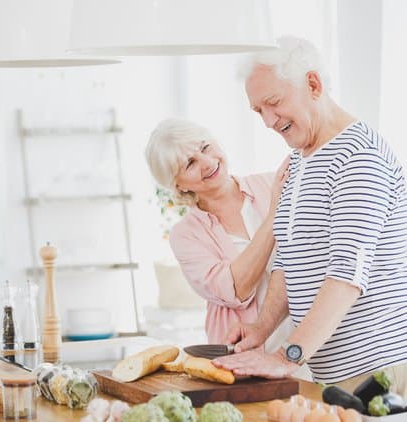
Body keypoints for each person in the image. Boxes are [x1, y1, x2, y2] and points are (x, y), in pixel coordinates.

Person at [212, 36, 407, 398]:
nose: (268, 121)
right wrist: (261, 328)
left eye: (273, 103)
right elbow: (289, 258)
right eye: (258, 111)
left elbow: (347, 273)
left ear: (313, 84)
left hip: (379, 372)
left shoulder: (359, 158)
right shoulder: (300, 161)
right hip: (335, 375)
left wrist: (288, 357)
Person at [145, 118, 302, 360]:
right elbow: (236, 289)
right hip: (242, 350)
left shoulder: (273, 182)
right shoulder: (186, 235)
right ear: (178, 185)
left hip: (306, 340)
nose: (207, 163)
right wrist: (274, 216)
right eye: (190, 163)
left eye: (205, 147)